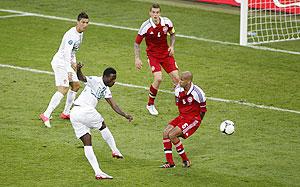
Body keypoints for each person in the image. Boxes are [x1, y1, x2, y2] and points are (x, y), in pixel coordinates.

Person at [70, 63, 133, 179]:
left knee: (87, 143)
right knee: (102, 125)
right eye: (113, 79)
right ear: (106, 77)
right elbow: (82, 78)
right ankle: (115, 150)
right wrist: (78, 69)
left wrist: (125, 115)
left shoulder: (106, 89)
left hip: (74, 114)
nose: (114, 82)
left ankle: (98, 172)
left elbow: (113, 105)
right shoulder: (95, 80)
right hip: (84, 110)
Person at [39, 12, 89, 128]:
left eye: (87, 23)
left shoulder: (80, 34)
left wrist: (74, 63)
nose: (85, 25)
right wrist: (68, 71)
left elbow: (72, 52)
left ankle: (66, 113)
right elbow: (66, 54)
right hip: (60, 63)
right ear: (78, 22)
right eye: (83, 22)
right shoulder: (71, 35)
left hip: (67, 63)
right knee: (64, 88)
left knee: (76, 85)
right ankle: (46, 114)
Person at [134, 3, 180, 116]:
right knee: (158, 78)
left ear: (160, 13)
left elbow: (172, 34)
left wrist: (172, 46)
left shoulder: (167, 22)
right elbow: (136, 43)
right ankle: (150, 104)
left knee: (177, 78)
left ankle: (179, 99)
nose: (155, 15)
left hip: (166, 54)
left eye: (157, 12)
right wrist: (137, 59)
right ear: (150, 13)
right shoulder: (145, 26)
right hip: (153, 55)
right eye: (153, 12)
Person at [161, 71, 207, 168]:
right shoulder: (178, 89)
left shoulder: (198, 93)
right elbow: (177, 103)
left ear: (189, 81)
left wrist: (196, 122)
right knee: (165, 132)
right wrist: (176, 91)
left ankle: (186, 161)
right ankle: (170, 163)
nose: (179, 81)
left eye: (182, 80)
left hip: (193, 119)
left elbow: (203, 110)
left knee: (172, 134)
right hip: (182, 116)